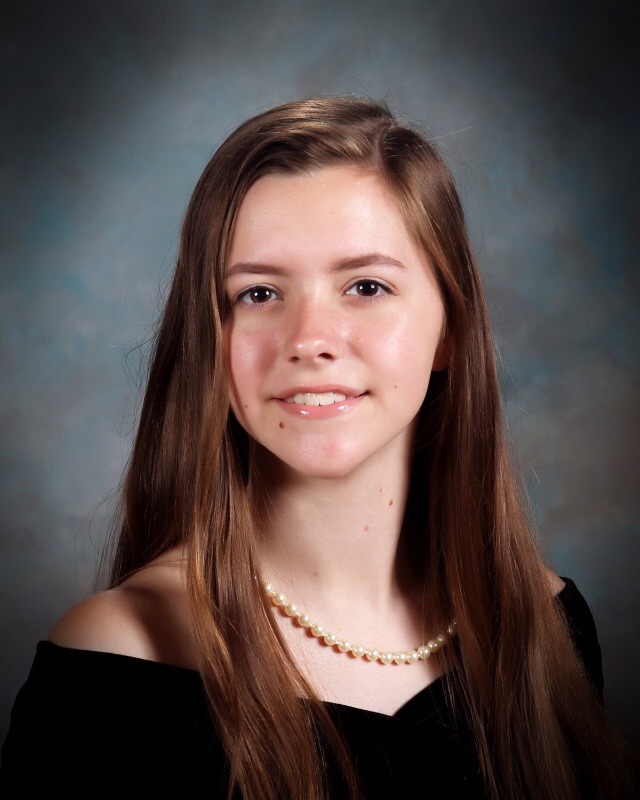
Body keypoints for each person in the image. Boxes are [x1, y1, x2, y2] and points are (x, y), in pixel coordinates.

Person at [1, 97, 637, 799]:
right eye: (258, 294)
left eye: (366, 286)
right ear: (209, 339)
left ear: (450, 327)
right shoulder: (114, 660)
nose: (308, 340)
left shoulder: (547, 623)